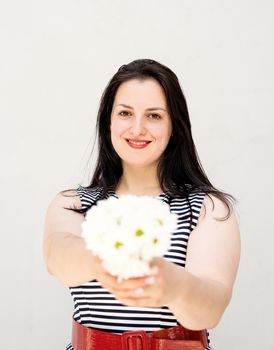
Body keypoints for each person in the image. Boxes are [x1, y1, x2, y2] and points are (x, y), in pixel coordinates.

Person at [43, 59, 241, 350]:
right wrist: (106, 258)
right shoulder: (73, 203)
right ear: (108, 122)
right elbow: (57, 257)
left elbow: (209, 311)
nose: (138, 128)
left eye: (154, 116)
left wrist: (173, 284)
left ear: (174, 125)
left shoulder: (209, 208)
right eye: (125, 113)